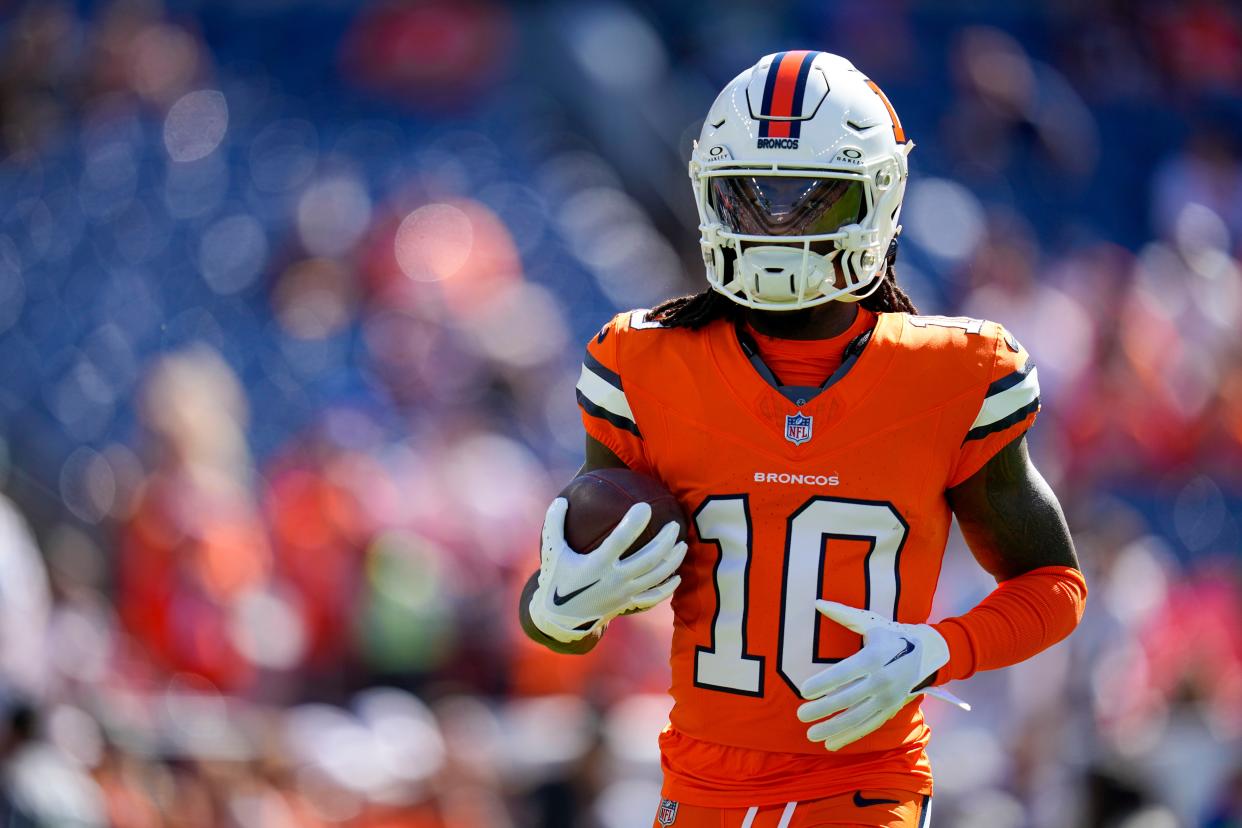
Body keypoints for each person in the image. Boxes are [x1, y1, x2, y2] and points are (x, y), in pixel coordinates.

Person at [518, 51, 1087, 828]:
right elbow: (567, 603)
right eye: (750, 198)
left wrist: (935, 651)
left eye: (808, 201)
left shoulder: (957, 372)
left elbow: (1053, 584)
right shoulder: (641, 363)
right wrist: (559, 609)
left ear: (878, 198)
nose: (776, 225)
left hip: (866, 787)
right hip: (698, 793)